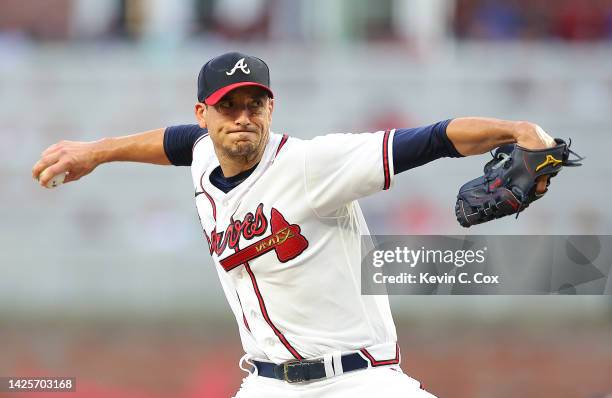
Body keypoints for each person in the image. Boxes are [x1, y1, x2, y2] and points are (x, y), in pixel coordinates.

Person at [32, 52, 554, 397]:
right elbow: (172, 142)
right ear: (205, 115)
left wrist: (518, 129)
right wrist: (97, 151)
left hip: (358, 381)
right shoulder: (201, 156)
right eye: (227, 106)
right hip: (267, 385)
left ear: (271, 107)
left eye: (254, 104)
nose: (242, 117)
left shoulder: (313, 163)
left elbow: (433, 138)